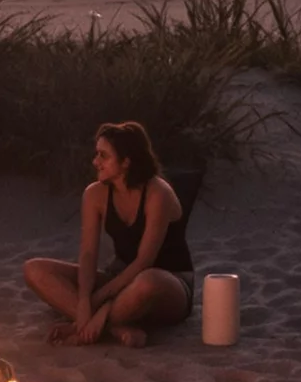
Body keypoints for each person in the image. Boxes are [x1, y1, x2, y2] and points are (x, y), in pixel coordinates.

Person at [24, 120, 193, 346]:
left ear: (126, 162)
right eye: (97, 154)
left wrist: (100, 302)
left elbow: (144, 262)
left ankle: (92, 322)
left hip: (168, 283)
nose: (96, 162)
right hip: (119, 278)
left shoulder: (157, 193)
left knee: (148, 282)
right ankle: (112, 327)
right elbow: (88, 254)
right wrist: (84, 299)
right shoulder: (95, 194)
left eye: (103, 156)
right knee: (34, 269)